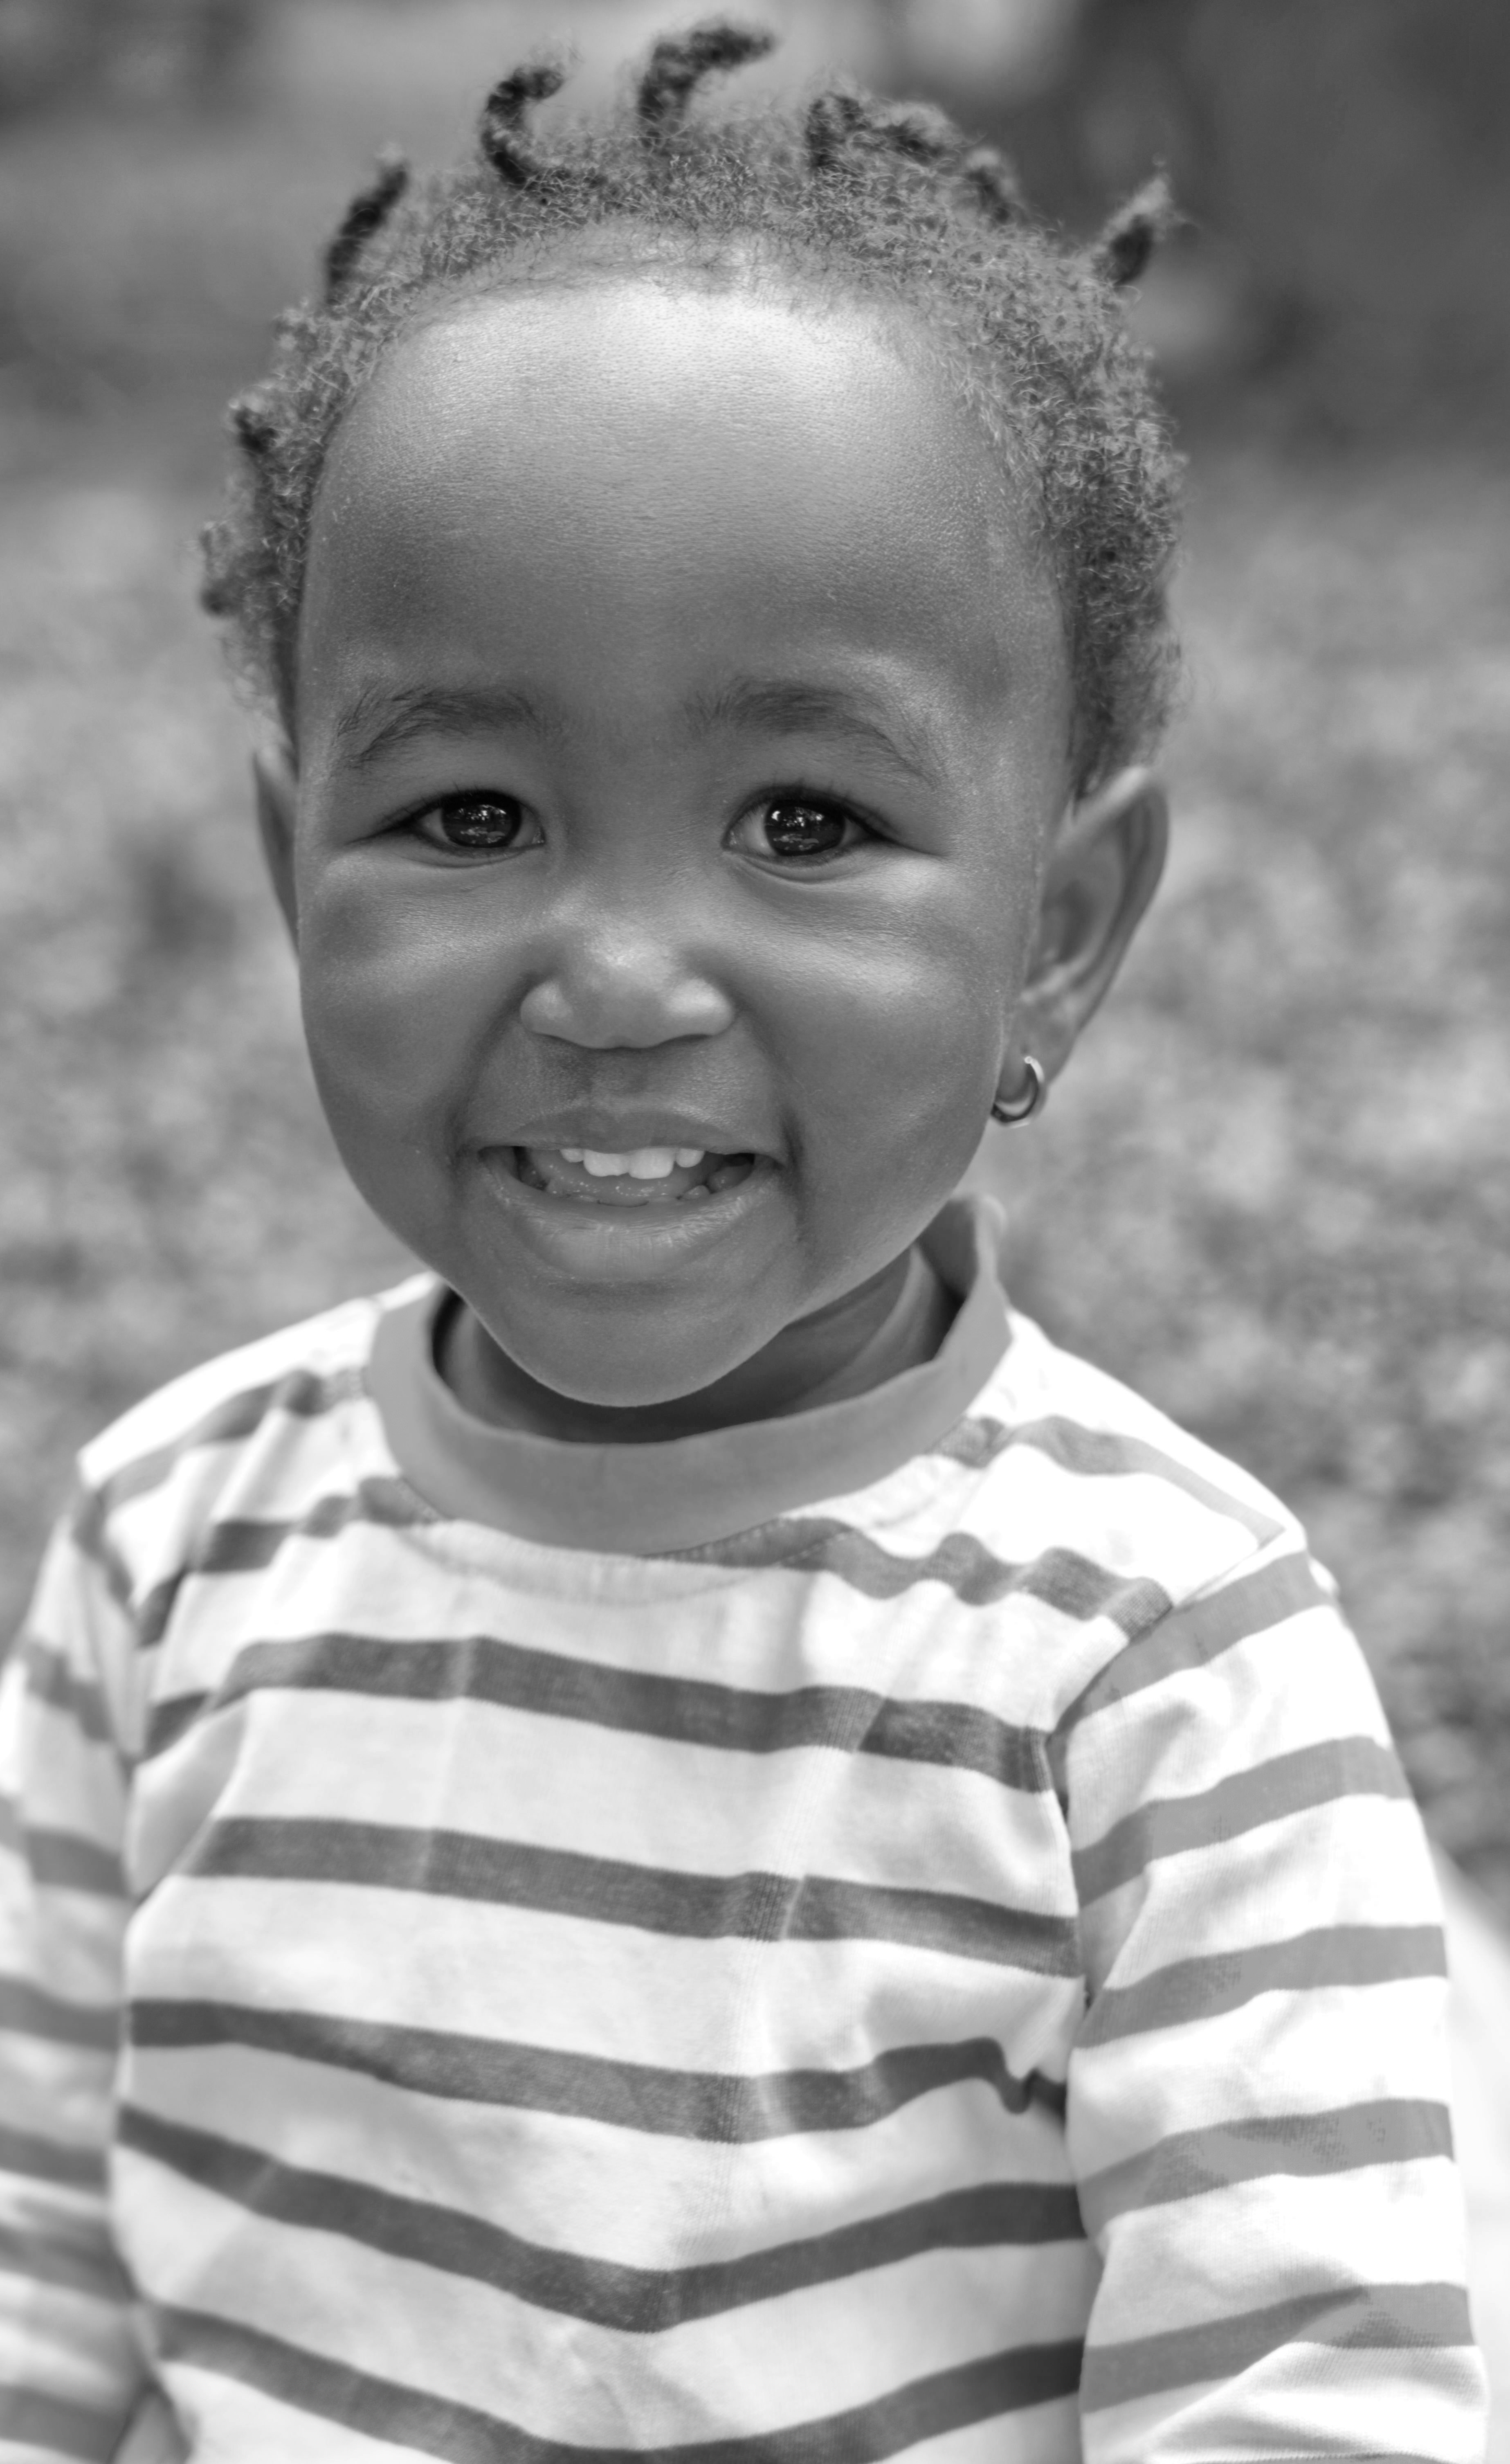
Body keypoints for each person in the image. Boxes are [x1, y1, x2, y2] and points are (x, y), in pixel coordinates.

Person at [0, 22, 1488, 2464]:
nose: (613, 978)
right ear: (292, 869)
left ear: (1059, 934)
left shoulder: (1153, 1675)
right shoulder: (167, 1555)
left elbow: (1312, 2398)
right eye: (470, 815)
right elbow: (37, 2290)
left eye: (804, 823)